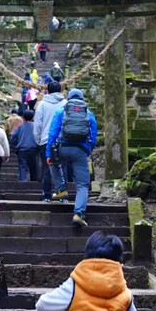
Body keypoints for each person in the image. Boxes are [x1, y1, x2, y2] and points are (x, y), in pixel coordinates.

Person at [47, 88, 97, 226]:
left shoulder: (61, 112)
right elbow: (93, 137)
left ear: (68, 98)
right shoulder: (88, 113)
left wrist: (49, 153)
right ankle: (79, 213)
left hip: (63, 147)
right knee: (82, 185)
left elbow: (52, 133)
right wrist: (88, 150)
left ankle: (61, 190)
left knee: (54, 164)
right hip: (80, 150)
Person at [33, 81, 66, 202]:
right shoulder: (65, 103)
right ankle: (62, 195)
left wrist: (38, 139)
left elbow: (37, 125)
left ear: (48, 91)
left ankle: (47, 195)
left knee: (46, 168)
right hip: (62, 139)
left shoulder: (42, 104)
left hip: (46, 140)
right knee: (62, 167)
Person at [10, 109, 39, 182]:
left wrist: (15, 146)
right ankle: (34, 181)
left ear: (23, 118)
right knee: (33, 167)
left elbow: (12, 137)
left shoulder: (20, 127)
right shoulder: (36, 126)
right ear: (33, 117)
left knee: (22, 167)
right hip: (34, 149)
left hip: (22, 150)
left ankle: (23, 181)